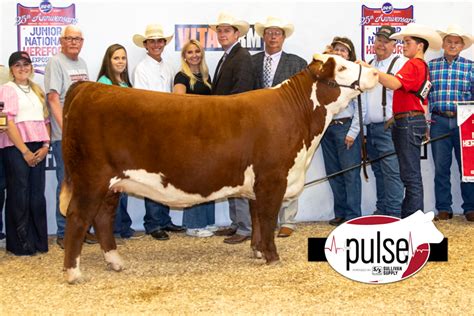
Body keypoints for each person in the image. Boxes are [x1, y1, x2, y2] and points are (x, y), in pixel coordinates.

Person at [360, 23, 442, 218]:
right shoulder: (420, 66)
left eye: (407, 42)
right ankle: (411, 217)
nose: (403, 46)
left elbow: (395, 83)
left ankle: (411, 219)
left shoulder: (413, 64)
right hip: (409, 120)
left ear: (420, 46)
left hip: (408, 121)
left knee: (410, 176)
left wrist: (370, 69)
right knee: (409, 174)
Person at [252, 16, 307, 237]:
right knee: (262, 174)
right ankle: (266, 219)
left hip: (287, 127)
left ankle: (288, 220)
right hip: (258, 128)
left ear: (283, 38)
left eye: (278, 33)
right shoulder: (252, 62)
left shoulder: (297, 63)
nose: (273, 36)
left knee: (288, 171)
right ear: (263, 36)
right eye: (269, 32)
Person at [132, 24, 184, 240]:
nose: (156, 45)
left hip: (168, 129)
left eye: (159, 41)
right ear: (145, 45)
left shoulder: (169, 66)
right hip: (151, 128)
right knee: (153, 176)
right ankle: (153, 223)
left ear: (164, 44)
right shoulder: (141, 69)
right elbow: (140, 102)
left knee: (165, 175)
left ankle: (164, 219)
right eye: (152, 41)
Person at [44, 25, 93, 248]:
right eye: (69, 38)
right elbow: (53, 98)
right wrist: (67, 130)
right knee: (67, 182)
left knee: (84, 183)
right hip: (64, 135)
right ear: (61, 41)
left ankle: (81, 229)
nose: (74, 42)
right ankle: (64, 232)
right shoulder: (56, 62)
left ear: (82, 42)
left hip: (82, 134)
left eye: (77, 39)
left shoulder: (81, 64)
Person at [209, 12, 255, 244]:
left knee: (238, 177)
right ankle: (237, 223)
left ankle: (245, 227)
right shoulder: (228, 57)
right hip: (227, 127)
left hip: (236, 128)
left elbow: (242, 96)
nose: (223, 34)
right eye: (220, 30)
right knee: (231, 177)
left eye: (227, 30)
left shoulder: (242, 57)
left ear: (237, 34)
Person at [0, 51, 49, 255]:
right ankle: (20, 244)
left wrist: (46, 146)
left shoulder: (37, 90)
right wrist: (25, 151)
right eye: (17, 65)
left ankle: (38, 241)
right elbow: (7, 122)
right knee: (19, 193)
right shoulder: (7, 90)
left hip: (38, 144)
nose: (23, 68)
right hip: (16, 146)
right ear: (11, 69)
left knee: (37, 194)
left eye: (26, 64)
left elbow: (45, 121)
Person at [97, 43, 145, 238]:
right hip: (111, 142)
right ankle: (114, 228)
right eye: (116, 58)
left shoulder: (126, 84)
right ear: (108, 61)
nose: (120, 62)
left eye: (123, 58)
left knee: (122, 186)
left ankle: (123, 226)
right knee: (112, 188)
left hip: (125, 143)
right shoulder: (104, 83)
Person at [428, 24, 474, 222]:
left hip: (465, 121)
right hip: (438, 119)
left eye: (456, 43)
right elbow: (424, 96)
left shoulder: (471, 66)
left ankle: (470, 208)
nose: (452, 45)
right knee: (441, 167)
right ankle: (443, 208)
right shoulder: (431, 66)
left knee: (468, 168)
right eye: (449, 42)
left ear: (462, 46)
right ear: (443, 44)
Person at [173, 39, 217, 237]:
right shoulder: (181, 76)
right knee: (196, 179)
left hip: (208, 133)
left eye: (197, 51)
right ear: (184, 56)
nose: (194, 55)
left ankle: (206, 222)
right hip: (191, 133)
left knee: (210, 178)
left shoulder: (206, 76)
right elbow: (178, 104)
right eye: (190, 52)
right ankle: (192, 225)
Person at [362, 26, 406, 218]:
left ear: (394, 45)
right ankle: (383, 211)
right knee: (379, 172)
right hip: (371, 127)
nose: (381, 44)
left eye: (387, 41)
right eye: (379, 39)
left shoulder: (400, 62)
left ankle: (395, 215)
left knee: (391, 172)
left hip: (389, 126)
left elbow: (396, 85)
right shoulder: (370, 62)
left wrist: (370, 70)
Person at [321, 37, 364, 226]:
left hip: (345, 126)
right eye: (336, 49)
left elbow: (361, 108)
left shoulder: (353, 75)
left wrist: (353, 132)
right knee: (334, 173)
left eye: (343, 50)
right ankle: (340, 213)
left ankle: (353, 215)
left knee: (350, 174)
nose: (339, 53)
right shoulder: (326, 76)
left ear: (350, 54)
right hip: (327, 128)